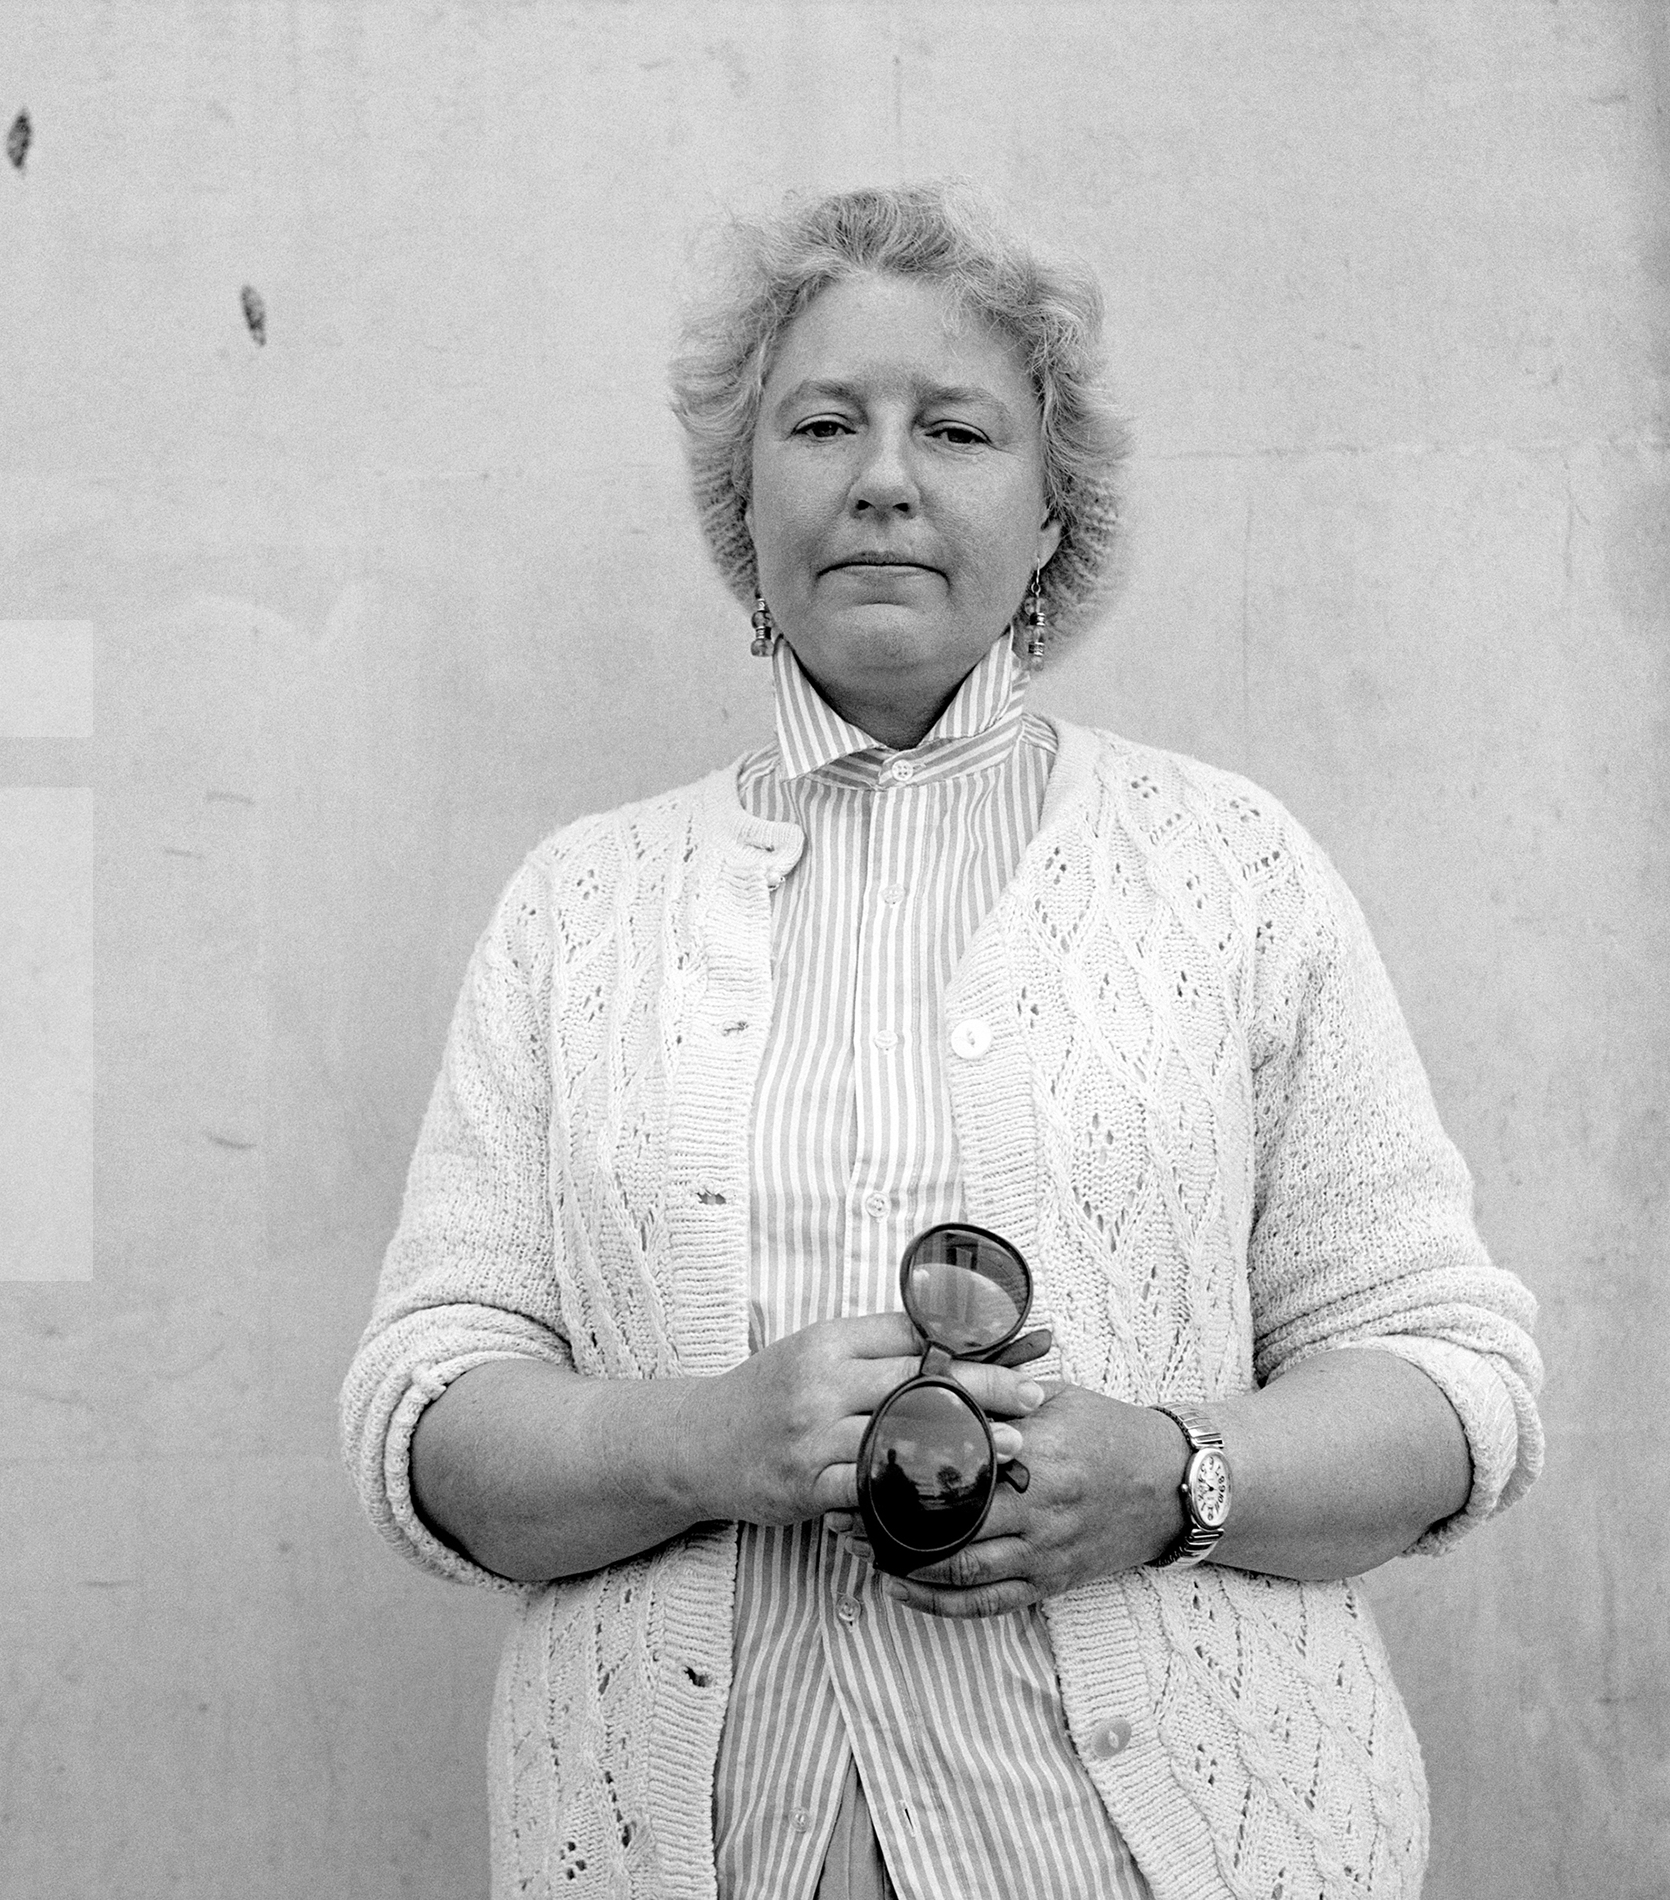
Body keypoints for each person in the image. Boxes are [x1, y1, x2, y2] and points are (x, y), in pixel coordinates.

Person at [339, 182, 1540, 1900]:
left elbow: (1449, 1382)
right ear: (739, 502)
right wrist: (701, 1442)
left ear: (1055, 514)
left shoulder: (1232, 870)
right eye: (823, 422)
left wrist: (1172, 1477)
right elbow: (430, 1417)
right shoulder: (577, 909)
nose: (883, 475)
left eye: (956, 427)